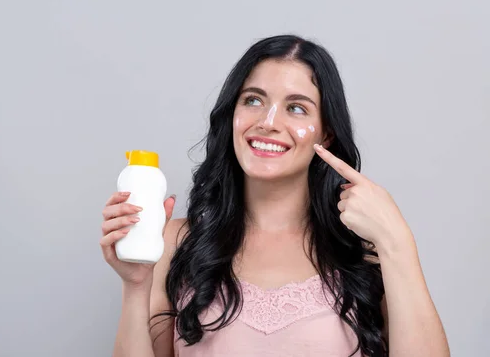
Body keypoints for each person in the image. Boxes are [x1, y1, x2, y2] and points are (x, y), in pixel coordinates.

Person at [99, 34, 449, 357]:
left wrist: (397, 243)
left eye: (296, 108)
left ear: (326, 133)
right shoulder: (175, 242)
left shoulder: (365, 253)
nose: (268, 122)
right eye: (253, 100)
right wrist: (135, 287)